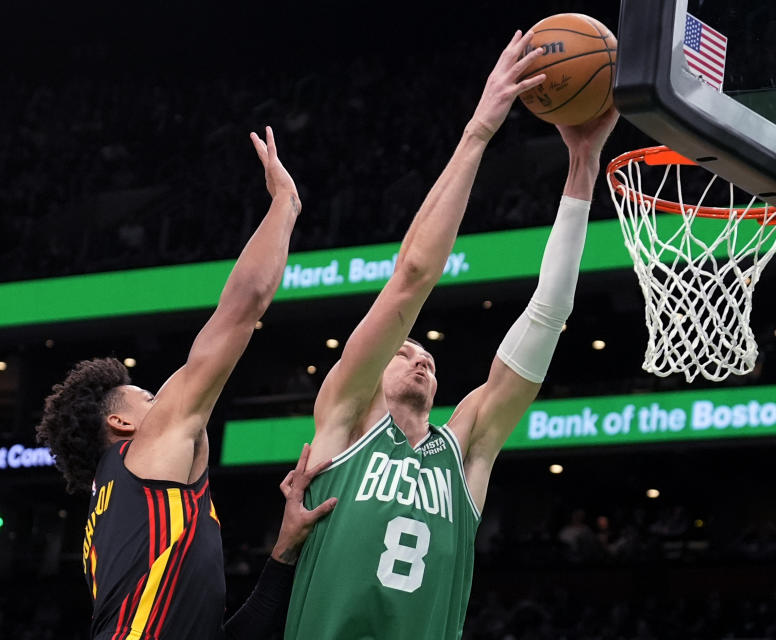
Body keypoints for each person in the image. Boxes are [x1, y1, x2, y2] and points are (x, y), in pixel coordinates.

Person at [284, 30, 619, 639]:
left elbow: (547, 316)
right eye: (405, 350)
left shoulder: (465, 451)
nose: (419, 356)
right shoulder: (344, 418)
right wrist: (479, 131)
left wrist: (583, 167)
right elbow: (412, 275)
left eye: (426, 353)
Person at [36, 128, 337, 639]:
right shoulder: (147, 452)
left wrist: (284, 552)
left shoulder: (116, 520)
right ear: (122, 423)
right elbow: (241, 308)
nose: (168, 399)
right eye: (150, 398)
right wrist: (285, 203)